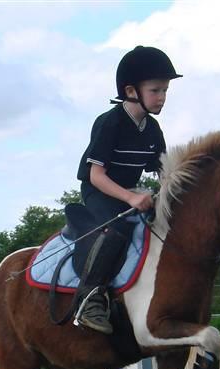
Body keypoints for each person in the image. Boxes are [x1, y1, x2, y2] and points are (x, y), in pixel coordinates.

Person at [74, 45, 182, 334]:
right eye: (156, 90)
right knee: (118, 229)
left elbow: (163, 173)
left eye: (165, 91)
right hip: (100, 192)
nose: (162, 98)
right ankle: (90, 298)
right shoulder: (109, 123)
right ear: (132, 90)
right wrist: (132, 197)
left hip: (131, 191)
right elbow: (96, 176)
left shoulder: (152, 129)